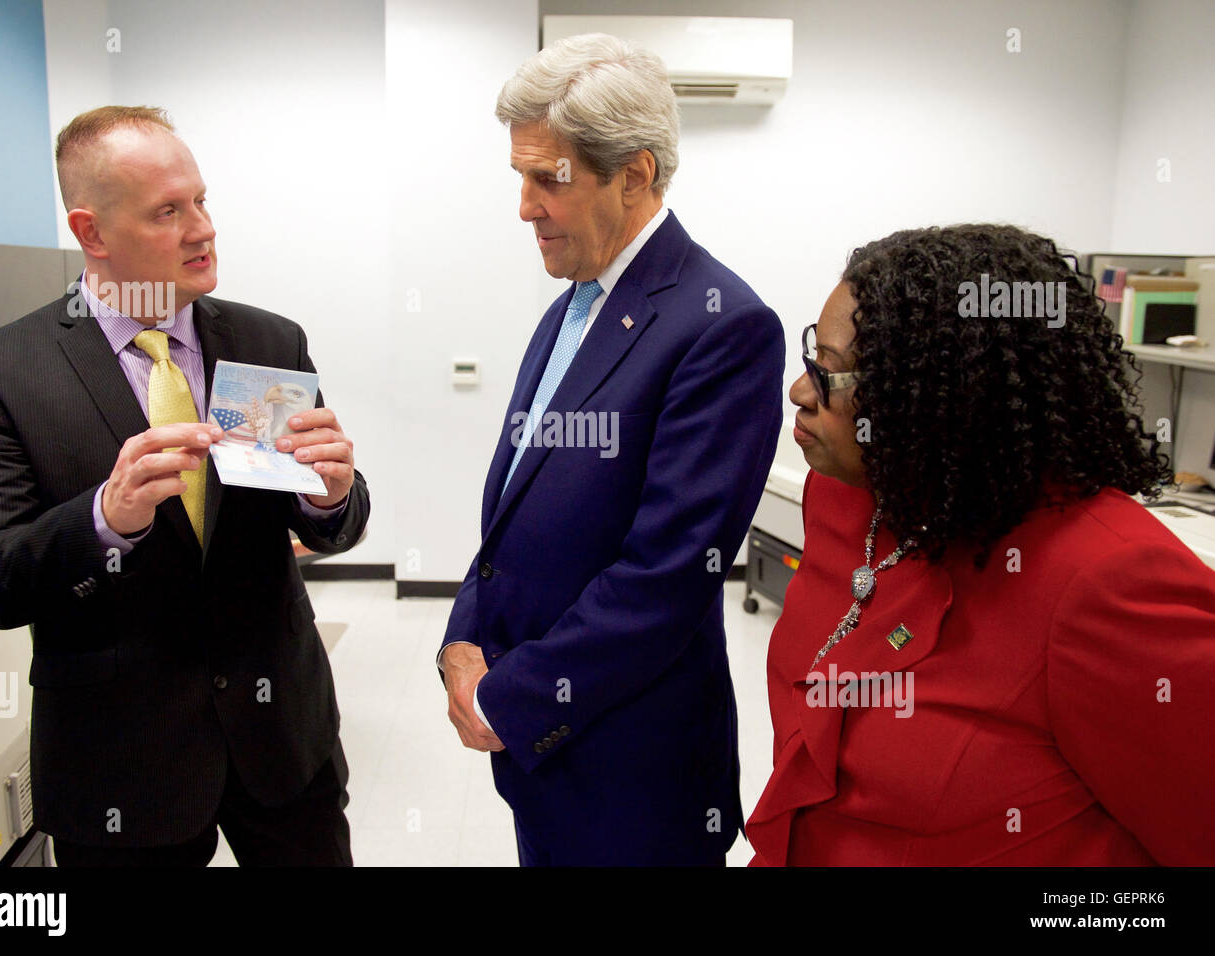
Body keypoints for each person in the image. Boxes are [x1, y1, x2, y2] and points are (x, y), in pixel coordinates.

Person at [0, 106, 369, 866]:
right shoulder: (1, 371)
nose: (203, 229)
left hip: (281, 740)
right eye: (168, 212)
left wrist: (330, 494)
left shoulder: (269, 340)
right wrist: (105, 519)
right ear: (93, 233)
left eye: (202, 201)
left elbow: (332, 520)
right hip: (120, 765)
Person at [747, 223, 1215, 865]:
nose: (800, 392)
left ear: (940, 396)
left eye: (829, 373)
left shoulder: (1109, 582)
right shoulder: (851, 499)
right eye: (810, 360)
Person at [438, 34, 785, 866]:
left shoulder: (720, 325)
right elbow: (519, 511)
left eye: (546, 178)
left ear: (633, 173)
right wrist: (461, 644)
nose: (524, 206)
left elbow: (665, 576)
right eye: (518, 177)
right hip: (548, 751)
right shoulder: (572, 307)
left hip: (634, 770)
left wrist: (505, 697)